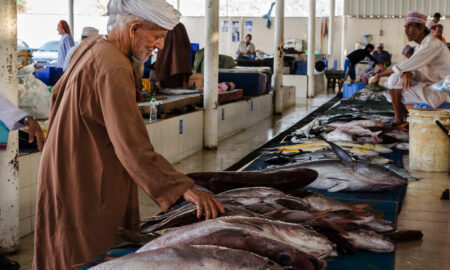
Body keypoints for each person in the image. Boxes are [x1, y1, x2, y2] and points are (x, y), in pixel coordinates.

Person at [32, 0, 225, 269]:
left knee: (60, 247)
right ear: (134, 28)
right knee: (94, 254)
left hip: (63, 168)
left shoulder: (91, 47)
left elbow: (56, 97)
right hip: (85, 181)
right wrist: (181, 188)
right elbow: (131, 144)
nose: (159, 46)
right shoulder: (114, 67)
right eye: (158, 36)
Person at [372, 11, 450, 125]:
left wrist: (379, 75)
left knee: (394, 80)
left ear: (422, 27)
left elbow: (404, 66)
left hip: (437, 93)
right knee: (388, 89)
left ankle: (399, 120)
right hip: (426, 88)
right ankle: (406, 120)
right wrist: (407, 72)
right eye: (405, 26)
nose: (406, 30)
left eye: (410, 26)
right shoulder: (420, 46)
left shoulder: (431, 44)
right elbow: (411, 67)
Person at [155, 23, 192, 88]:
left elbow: (161, 52)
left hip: (165, 75)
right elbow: (188, 46)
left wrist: (158, 78)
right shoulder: (180, 26)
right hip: (180, 74)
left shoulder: (165, 25)